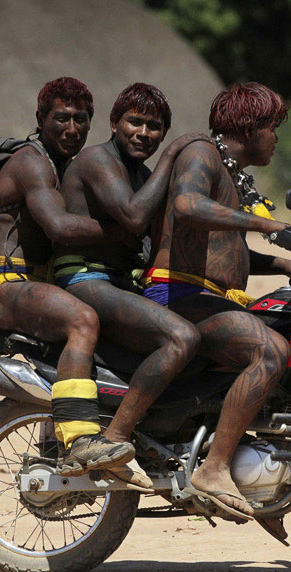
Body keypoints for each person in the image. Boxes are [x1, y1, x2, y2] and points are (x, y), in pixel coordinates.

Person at [142, 82, 291, 519]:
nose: (276, 138)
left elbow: (224, 252)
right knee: (271, 352)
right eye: (273, 127)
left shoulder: (230, 172)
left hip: (205, 293)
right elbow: (188, 204)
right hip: (178, 292)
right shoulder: (202, 153)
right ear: (250, 127)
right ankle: (213, 470)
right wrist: (263, 224)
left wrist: (288, 266)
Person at [0, 76, 133, 476]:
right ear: (40, 118)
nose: (72, 129)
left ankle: (53, 442)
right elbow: (60, 228)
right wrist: (129, 230)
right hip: (5, 285)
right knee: (82, 320)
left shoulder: (67, 166)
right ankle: (80, 438)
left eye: (81, 119)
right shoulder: (32, 162)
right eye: (62, 118)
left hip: (40, 285)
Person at [55, 83, 206, 488]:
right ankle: (114, 438)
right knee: (181, 337)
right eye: (134, 122)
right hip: (84, 278)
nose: (144, 133)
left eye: (155, 127)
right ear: (114, 123)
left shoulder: (139, 172)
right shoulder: (97, 160)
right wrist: (173, 154)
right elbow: (134, 217)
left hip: (121, 282)